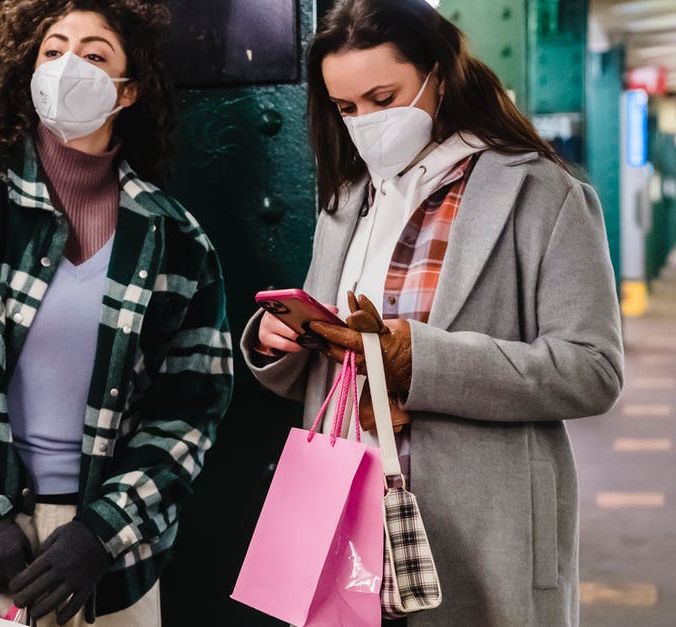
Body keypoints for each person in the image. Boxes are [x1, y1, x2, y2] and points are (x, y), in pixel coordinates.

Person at [242, 1, 624, 625]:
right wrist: (280, 338)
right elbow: (330, 357)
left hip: (478, 531)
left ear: (439, 76)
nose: (365, 123)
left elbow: (592, 369)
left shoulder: (543, 195)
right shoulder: (347, 202)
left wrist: (424, 360)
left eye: (383, 96)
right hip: (346, 526)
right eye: (346, 109)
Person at [0, 1, 233, 625]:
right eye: (53, 51)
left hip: (107, 554)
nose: (67, 67)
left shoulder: (175, 239)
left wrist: (103, 531)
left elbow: (192, 404)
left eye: (93, 55)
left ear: (128, 91)